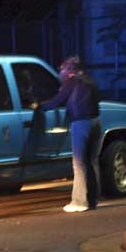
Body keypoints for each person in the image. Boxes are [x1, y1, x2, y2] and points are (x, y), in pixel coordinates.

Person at [38, 56, 101, 212]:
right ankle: (92, 200)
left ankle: (79, 201)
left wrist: (39, 106)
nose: (61, 72)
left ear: (70, 70)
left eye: (63, 68)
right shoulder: (91, 81)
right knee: (92, 161)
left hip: (81, 123)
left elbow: (58, 101)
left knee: (79, 163)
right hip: (96, 122)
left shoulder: (72, 81)